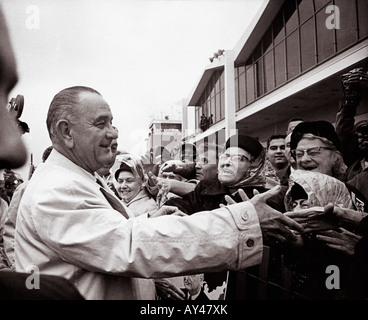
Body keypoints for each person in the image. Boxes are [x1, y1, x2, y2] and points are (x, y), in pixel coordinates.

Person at [13, 86, 302, 300]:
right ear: (66, 132)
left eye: (112, 122)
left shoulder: (75, 178)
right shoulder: (57, 188)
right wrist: (242, 223)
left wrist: (149, 223)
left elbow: (111, 238)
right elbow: (127, 246)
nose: (113, 132)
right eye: (101, 123)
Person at [0, 7, 83, 300]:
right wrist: (22, 266)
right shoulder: (30, 190)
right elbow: (10, 233)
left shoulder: (54, 295)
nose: (15, 151)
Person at [290, 120, 368, 212]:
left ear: (335, 156)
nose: (304, 159)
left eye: (313, 152)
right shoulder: (288, 195)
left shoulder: (350, 194)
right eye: (299, 154)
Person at [335, 67, 368, 201]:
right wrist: (350, 103)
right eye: (359, 135)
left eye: (367, 134)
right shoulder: (353, 164)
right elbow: (343, 131)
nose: (364, 138)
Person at [114, 153, 158, 218]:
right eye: (120, 181)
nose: (123, 186)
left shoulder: (149, 206)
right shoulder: (116, 203)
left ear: (141, 183)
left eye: (129, 181)